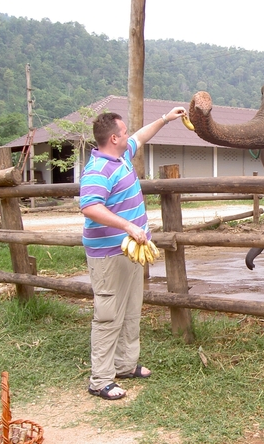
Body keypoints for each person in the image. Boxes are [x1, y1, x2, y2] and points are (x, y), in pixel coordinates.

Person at [80, 107, 186, 400]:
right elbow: (90, 206)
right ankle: (100, 379)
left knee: (130, 310)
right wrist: (127, 225)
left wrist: (166, 119)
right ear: (114, 137)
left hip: (130, 252)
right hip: (108, 255)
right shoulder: (98, 170)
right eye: (124, 132)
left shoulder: (121, 157)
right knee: (108, 313)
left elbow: (141, 136)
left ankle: (125, 365)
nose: (129, 135)